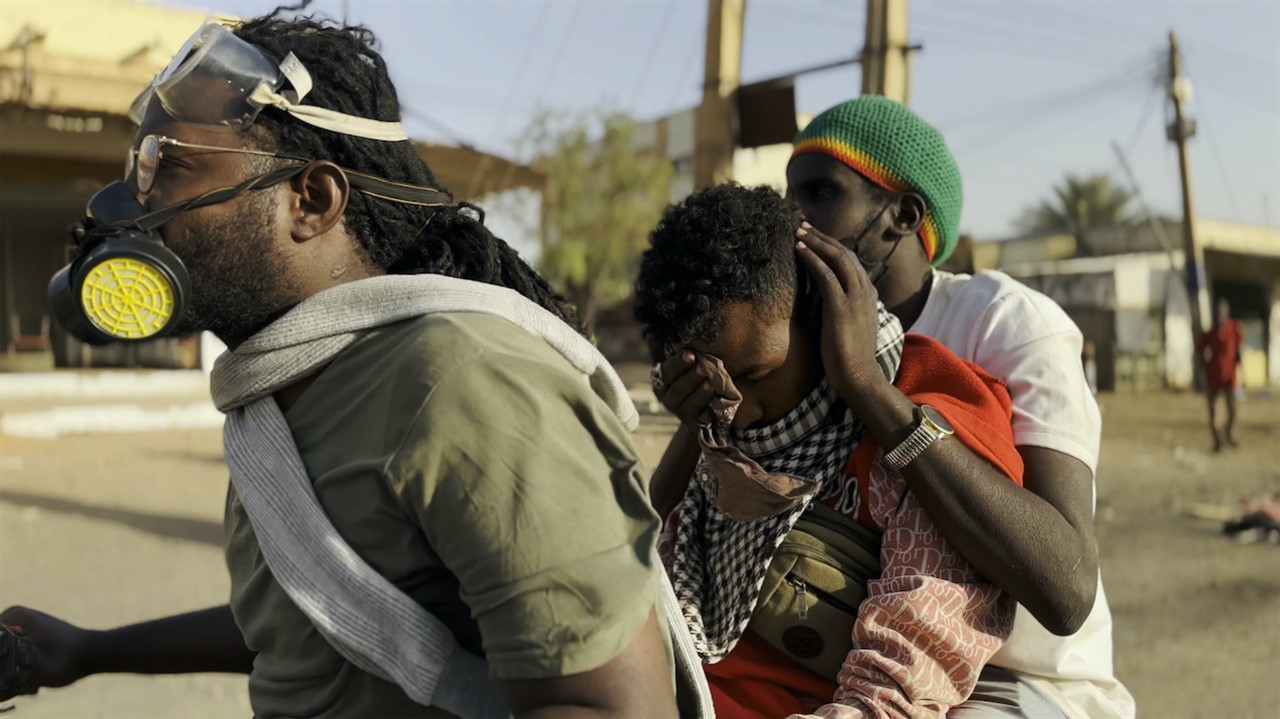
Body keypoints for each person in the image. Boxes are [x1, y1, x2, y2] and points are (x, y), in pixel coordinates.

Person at [1, 13, 709, 718]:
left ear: (310, 200)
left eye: (170, 163)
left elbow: (607, 706)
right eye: (140, 167)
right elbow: (326, 613)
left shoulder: (462, 378)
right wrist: (92, 650)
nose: (135, 201)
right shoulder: (291, 386)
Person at [651, 96, 1134, 718]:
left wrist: (869, 389)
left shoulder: (1005, 322)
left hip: (1016, 681)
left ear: (901, 215)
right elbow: (659, 542)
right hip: (844, 669)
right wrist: (704, 416)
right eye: (790, 197)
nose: (797, 219)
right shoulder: (799, 333)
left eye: (822, 194)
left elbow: (1065, 587)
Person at [637, 183, 1031, 718]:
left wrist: (863, 383)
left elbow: (897, 687)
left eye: (756, 374)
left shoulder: (927, 411)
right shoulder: (717, 432)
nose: (740, 411)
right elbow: (647, 570)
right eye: (713, 382)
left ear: (824, 317)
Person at [1196, 298, 1244, 451]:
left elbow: (1239, 351)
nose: (1220, 315)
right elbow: (1200, 350)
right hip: (1213, 376)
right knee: (1213, 410)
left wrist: (1241, 371)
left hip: (1229, 375)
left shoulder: (1234, 329)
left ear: (1227, 313)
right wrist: (1203, 368)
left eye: (1222, 312)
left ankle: (1227, 435)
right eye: (1217, 312)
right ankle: (1217, 441)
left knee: (1232, 409)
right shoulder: (1210, 332)